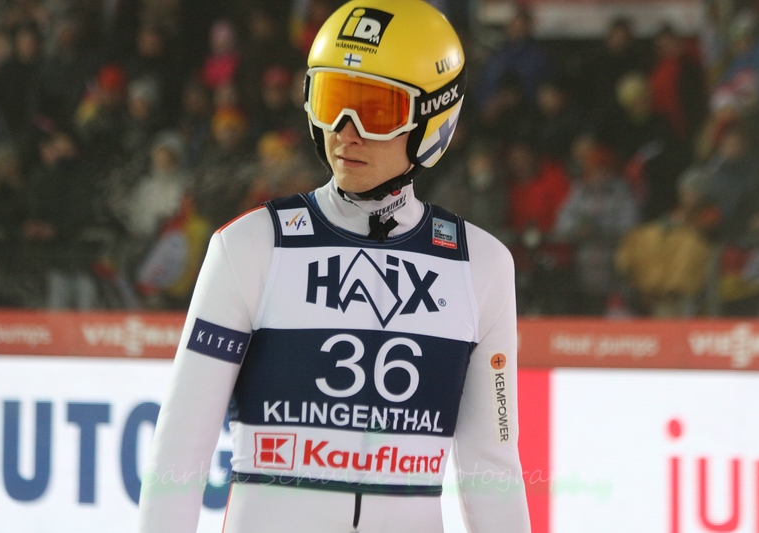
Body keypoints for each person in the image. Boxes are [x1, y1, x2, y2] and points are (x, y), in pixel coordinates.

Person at [137, 1, 531, 532]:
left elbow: (493, 471)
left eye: (377, 109)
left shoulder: (480, 265)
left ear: (434, 119)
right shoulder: (249, 247)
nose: (347, 131)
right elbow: (180, 448)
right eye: (332, 101)